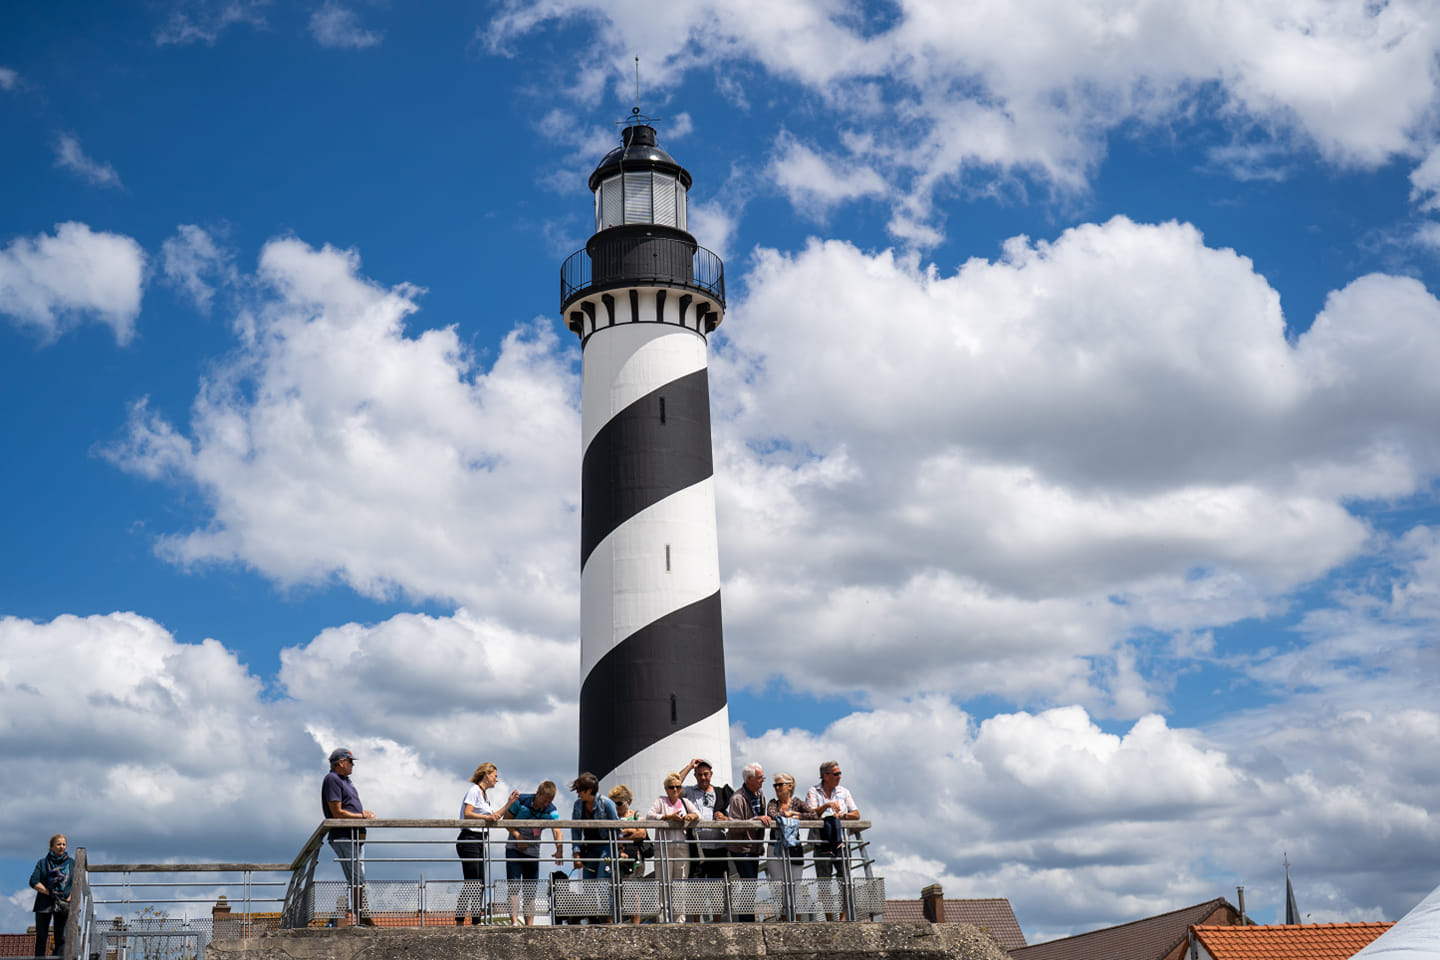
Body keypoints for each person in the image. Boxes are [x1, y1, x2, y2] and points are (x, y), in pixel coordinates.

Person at [455, 762, 518, 925]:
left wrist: (509, 803)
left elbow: (494, 816)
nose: (496, 780)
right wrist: (486, 818)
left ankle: (475, 920)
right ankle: (461, 920)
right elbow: (468, 813)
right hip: (469, 839)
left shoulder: (484, 796)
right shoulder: (474, 791)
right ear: (487, 774)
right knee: (472, 882)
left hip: (479, 840)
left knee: (479, 882)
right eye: (495, 776)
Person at [322, 748, 376, 925]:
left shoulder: (346, 781)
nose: (353, 765)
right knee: (356, 878)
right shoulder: (332, 779)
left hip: (353, 836)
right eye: (351, 761)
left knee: (358, 877)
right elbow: (336, 812)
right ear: (341, 762)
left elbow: (350, 808)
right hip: (344, 835)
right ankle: (362, 916)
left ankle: (362, 913)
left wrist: (363, 816)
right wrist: (361, 817)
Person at [501, 780, 563, 926]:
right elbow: (506, 820)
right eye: (545, 799)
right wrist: (517, 836)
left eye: (550, 801)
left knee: (530, 891)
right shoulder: (521, 801)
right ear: (538, 794)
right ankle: (515, 923)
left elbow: (557, 829)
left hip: (533, 854)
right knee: (514, 887)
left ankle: (530, 926)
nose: (547, 803)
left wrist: (559, 848)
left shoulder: (550, 810)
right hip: (514, 850)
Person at [805, 760, 859, 921]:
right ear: (825, 776)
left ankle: (843, 917)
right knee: (824, 882)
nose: (840, 777)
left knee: (845, 881)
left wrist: (842, 816)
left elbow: (856, 814)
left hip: (842, 842)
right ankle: (829, 918)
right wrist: (827, 806)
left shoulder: (844, 792)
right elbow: (811, 814)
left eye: (840, 773)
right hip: (821, 844)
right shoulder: (813, 792)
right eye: (836, 774)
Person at [646, 772, 699, 922]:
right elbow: (649, 816)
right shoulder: (660, 801)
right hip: (663, 848)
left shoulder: (684, 802)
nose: (675, 790)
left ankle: (679, 920)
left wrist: (691, 816)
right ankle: (663, 920)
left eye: (678, 787)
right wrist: (668, 817)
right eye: (671, 787)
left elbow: (698, 813)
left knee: (680, 884)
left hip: (682, 847)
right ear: (666, 788)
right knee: (663, 884)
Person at [724, 763, 774, 921]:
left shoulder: (760, 794)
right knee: (749, 883)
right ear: (749, 779)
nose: (763, 781)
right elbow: (735, 826)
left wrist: (759, 845)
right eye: (760, 778)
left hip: (753, 847)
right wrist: (756, 819)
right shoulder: (737, 798)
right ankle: (746, 920)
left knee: (751, 884)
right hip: (740, 848)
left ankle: (747, 919)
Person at [767, 773, 817, 922]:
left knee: (795, 884)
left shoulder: (797, 802)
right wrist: (788, 814)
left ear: (790, 786)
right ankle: (783, 919)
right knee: (778, 885)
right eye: (775, 785)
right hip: (775, 847)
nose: (776, 788)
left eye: (779, 785)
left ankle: (797, 919)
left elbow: (813, 815)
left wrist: (796, 815)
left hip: (794, 847)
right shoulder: (773, 802)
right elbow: (772, 814)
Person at [570, 772, 620, 923]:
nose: (578, 794)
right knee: (588, 882)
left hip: (607, 846)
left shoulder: (607, 803)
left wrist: (619, 849)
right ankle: (593, 918)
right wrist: (576, 854)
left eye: (580, 790)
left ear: (589, 790)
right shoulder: (578, 805)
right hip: (590, 848)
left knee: (603, 881)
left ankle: (608, 919)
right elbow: (576, 830)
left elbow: (617, 828)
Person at [678, 758, 733, 883]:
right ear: (695, 776)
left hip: (718, 847)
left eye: (706, 774)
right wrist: (690, 766)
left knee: (719, 888)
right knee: (696, 888)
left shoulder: (722, 793)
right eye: (699, 774)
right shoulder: (689, 791)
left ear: (711, 775)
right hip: (697, 848)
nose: (703, 778)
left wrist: (725, 818)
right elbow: (674, 785)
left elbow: (736, 817)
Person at [608, 785, 647, 924]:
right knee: (616, 894)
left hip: (634, 859)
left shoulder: (636, 815)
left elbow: (642, 833)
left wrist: (621, 833)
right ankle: (618, 926)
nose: (616, 807)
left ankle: (635, 926)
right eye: (613, 803)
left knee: (634, 894)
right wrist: (630, 832)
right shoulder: (610, 818)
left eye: (619, 803)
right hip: (615, 858)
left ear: (628, 802)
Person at [30, 833, 72, 958]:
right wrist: (49, 892)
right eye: (58, 844)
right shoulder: (42, 863)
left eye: (64, 844)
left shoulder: (71, 863)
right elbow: (33, 881)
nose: (61, 847)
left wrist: (70, 897)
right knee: (41, 936)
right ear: (51, 847)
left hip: (63, 903)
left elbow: (77, 882)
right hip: (44, 904)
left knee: (61, 937)